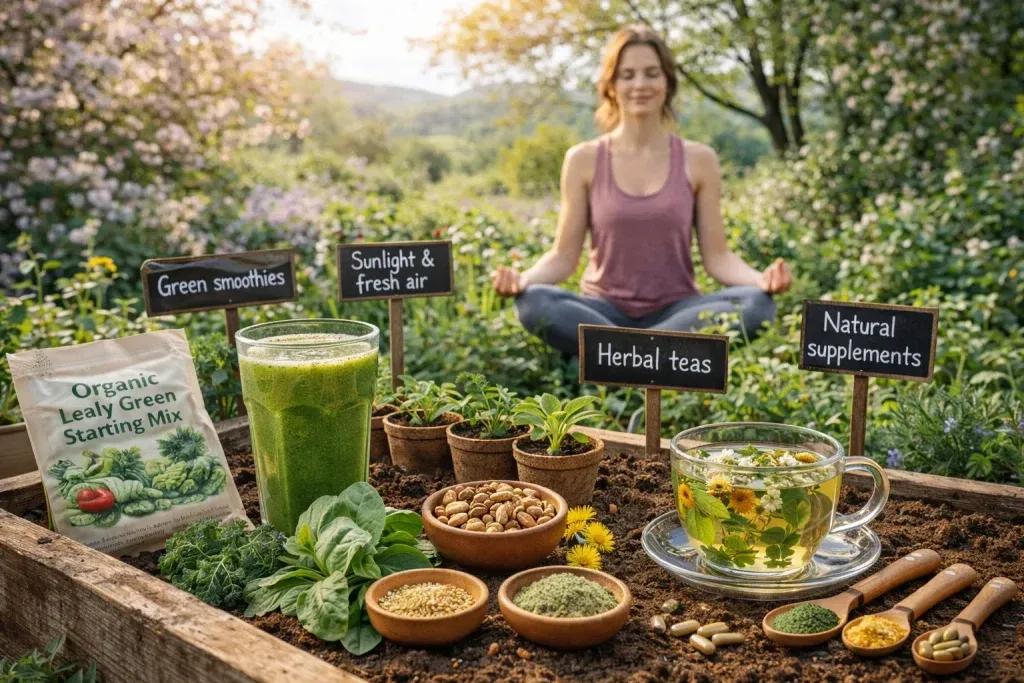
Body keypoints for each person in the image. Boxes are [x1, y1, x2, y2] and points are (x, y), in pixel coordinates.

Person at [492, 26, 792, 357]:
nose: (639, 85)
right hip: (602, 313)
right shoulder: (583, 160)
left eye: (651, 73)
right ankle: (654, 358)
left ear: (668, 82)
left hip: (678, 314)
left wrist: (760, 279)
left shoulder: (699, 160)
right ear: (611, 85)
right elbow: (563, 257)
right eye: (627, 75)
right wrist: (522, 280)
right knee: (534, 302)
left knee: (757, 305)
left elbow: (718, 258)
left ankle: (621, 358)